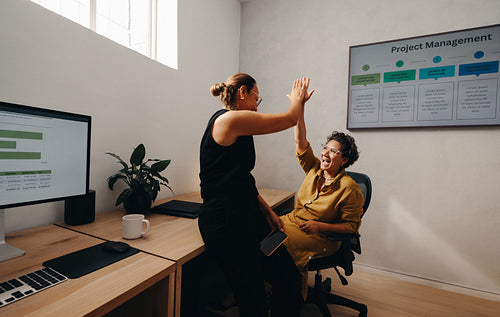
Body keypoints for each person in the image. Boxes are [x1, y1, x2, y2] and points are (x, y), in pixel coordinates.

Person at [198, 73, 313, 317]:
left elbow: (241, 180)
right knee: (254, 301)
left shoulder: (239, 124)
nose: (256, 106)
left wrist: (269, 212)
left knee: (289, 279)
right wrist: (298, 99)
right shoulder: (229, 121)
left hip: (246, 216)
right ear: (242, 93)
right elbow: (290, 118)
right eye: (256, 100)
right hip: (224, 222)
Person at [280, 104, 364, 300]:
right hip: (293, 222)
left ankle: (290, 298)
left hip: (322, 237)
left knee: (280, 245)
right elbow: (300, 140)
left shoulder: (349, 187)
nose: (325, 153)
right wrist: (299, 106)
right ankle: (270, 288)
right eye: (325, 148)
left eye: (334, 151)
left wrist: (319, 226)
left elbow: (351, 227)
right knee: (261, 229)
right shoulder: (314, 168)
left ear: (344, 160)